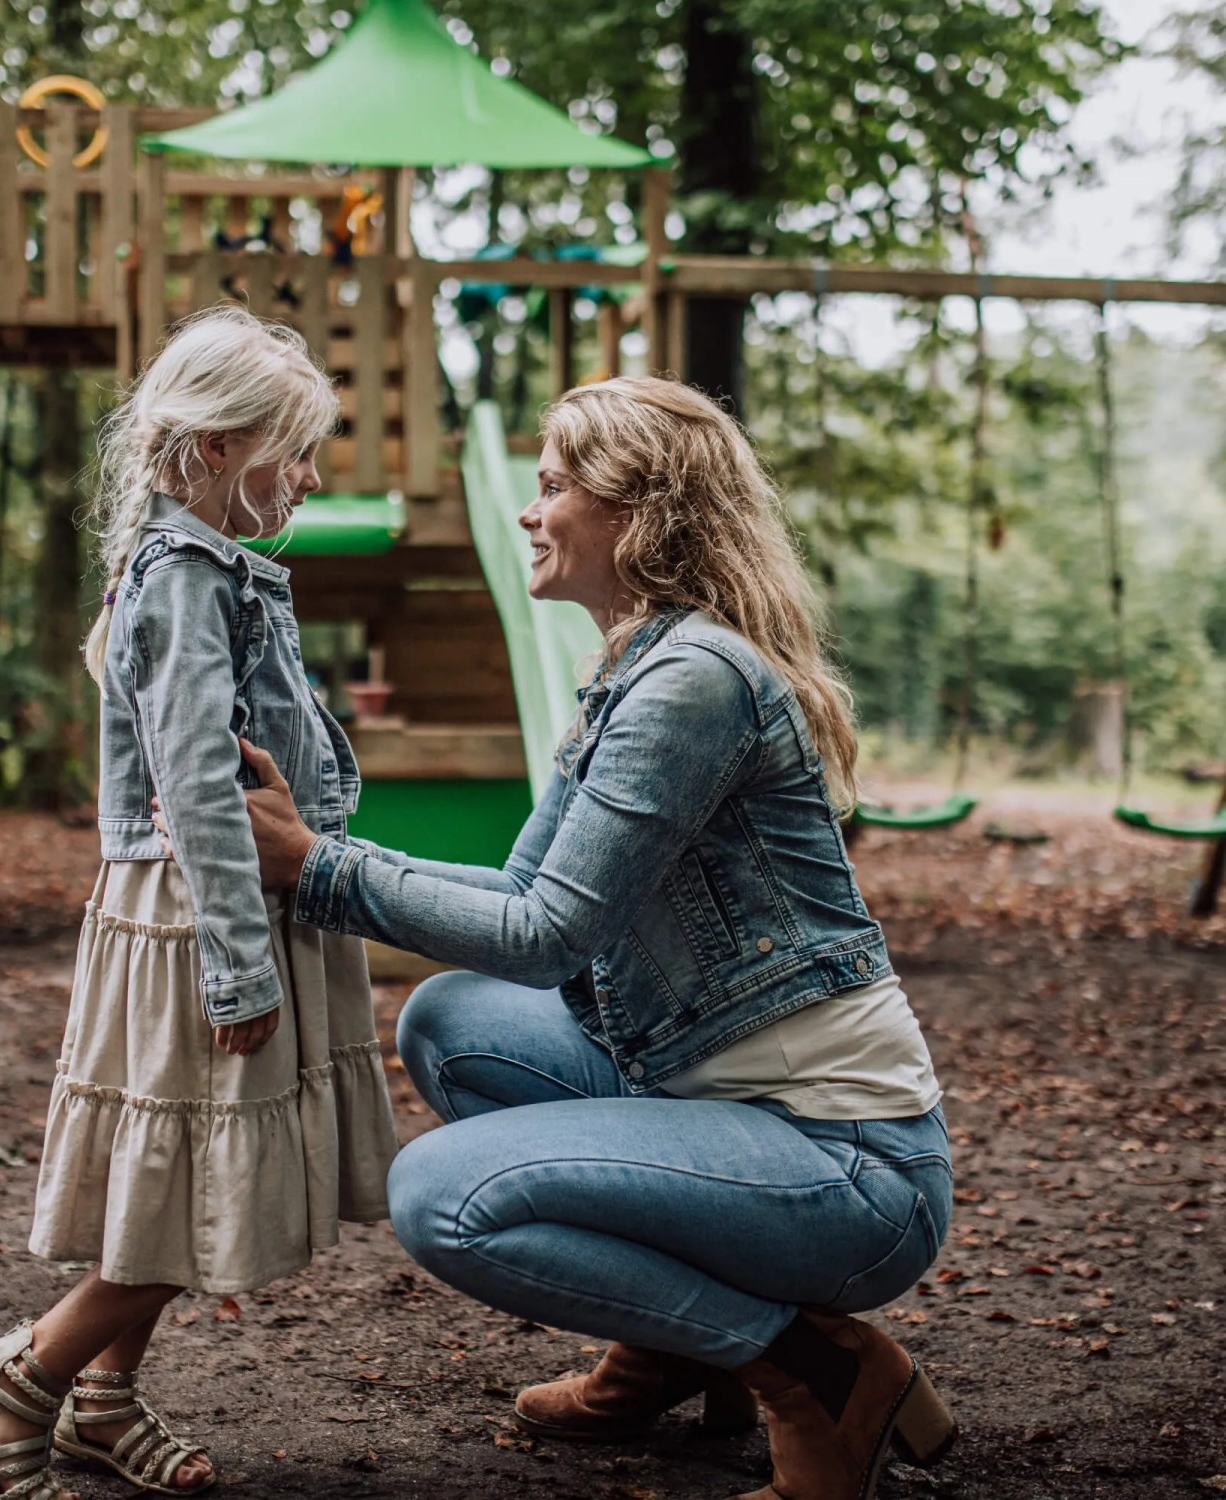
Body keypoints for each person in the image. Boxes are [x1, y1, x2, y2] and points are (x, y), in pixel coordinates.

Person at [236, 377, 957, 1500]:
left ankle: (808, 1371)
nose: (531, 513)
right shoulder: (637, 667)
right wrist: (330, 852)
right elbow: (527, 892)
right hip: (730, 1108)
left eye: (555, 486)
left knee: (444, 1200)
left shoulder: (694, 681)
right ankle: (677, 1343)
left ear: (641, 512)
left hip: (847, 1167)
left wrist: (320, 869)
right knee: (453, 1022)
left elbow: (546, 934)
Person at [0, 307, 399, 1500]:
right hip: (205, 915)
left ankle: (103, 1401)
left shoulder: (206, 566)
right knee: (195, 1186)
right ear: (209, 452)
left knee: (177, 1176)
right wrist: (239, 965)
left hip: (228, 902)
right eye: (289, 453)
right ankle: (23, 1383)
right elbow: (194, 782)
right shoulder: (184, 578)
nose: (306, 478)